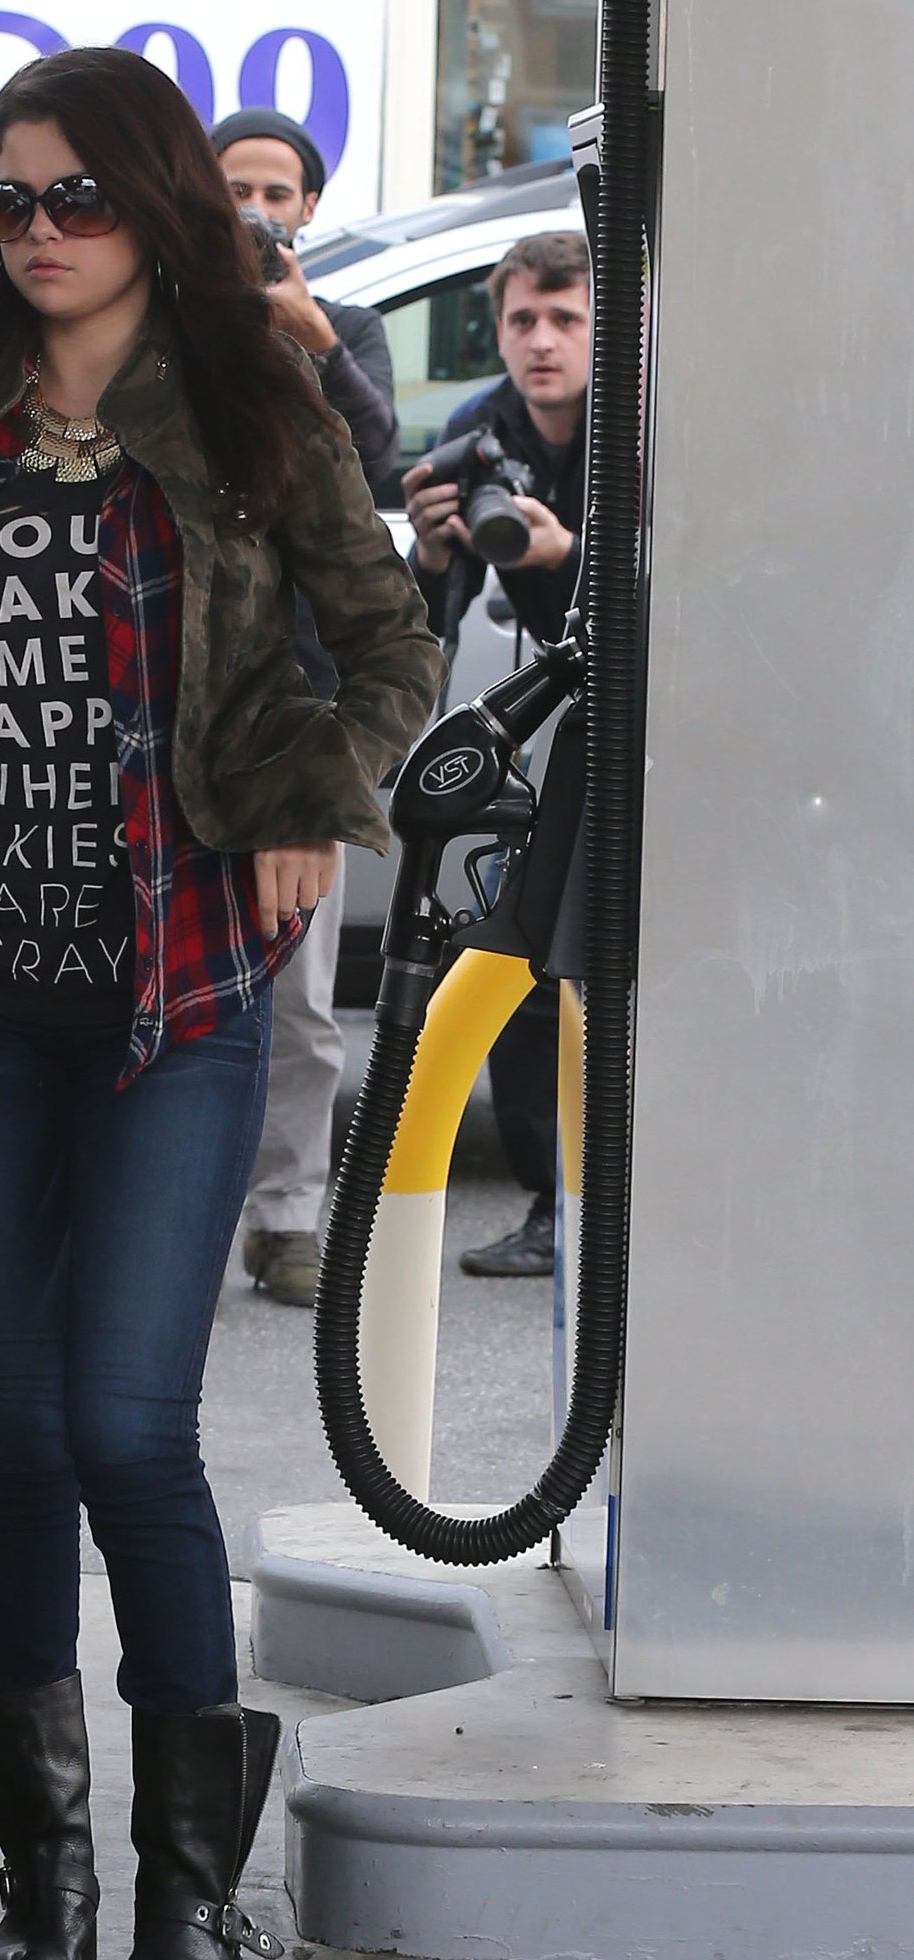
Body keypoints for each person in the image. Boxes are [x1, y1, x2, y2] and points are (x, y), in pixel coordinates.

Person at [0, 46, 442, 1960]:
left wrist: (315, 784)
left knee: (133, 1431)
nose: (40, 234)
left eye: (80, 199)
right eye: (15, 201)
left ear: (159, 206)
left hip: (180, 991)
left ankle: (183, 1906)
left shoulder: (251, 394)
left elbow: (384, 637)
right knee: (16, 1434)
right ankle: (45, 1880)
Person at [211, 106, 400, 1308]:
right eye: (233, 189)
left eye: (275, 192)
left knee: (299, 991)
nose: (255, 212)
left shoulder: (354, 327)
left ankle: (286, 1218)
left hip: (302, 709)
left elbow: (376, 462)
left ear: (307, 210)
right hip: (181, 703)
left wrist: (312, 342)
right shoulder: (166, 321)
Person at [403, 229, 590, 1278]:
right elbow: (429, 626)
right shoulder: (481, 431)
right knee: (515, 950)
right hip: (551, 738)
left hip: (652, 730)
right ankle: (544, 1203)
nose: (543, 341)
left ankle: (620, 1195)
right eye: (522, 319)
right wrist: (433, 552)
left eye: (566, 318)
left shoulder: (640, 423)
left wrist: (573, 559)